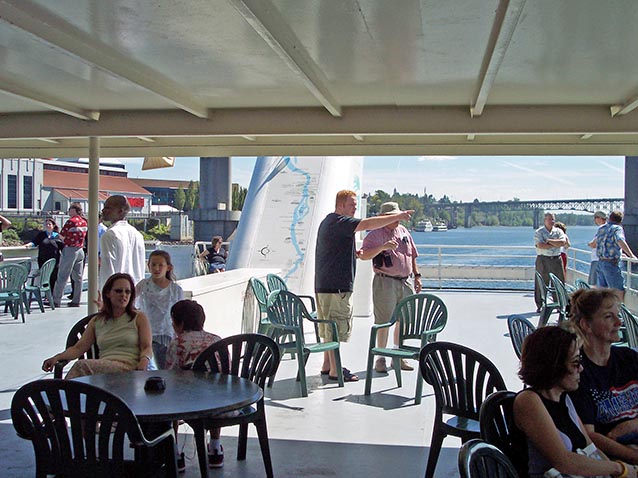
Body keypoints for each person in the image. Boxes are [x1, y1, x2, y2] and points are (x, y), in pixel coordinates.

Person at [315, 190, 413, 382]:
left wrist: (354, 254)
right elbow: (367, 224)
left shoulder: (330, 222)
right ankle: (335, 370)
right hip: (337, 287)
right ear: (341, 205)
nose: (355, 208)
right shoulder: (340, 221)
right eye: (352, 204)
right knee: (336, 326)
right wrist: (399, 216)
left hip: (325, 285)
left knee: (329, 326)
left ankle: (327, 364)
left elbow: (335, 250)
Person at [514, 324, 637, 478]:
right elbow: (564, 461)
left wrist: (622, 472)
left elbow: (591, 448)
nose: (581, 369)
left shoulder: (564, 398)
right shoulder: (528, 401)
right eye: (575, 363)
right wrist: (618, 468)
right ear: (554, 366)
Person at [569, 288, 638, 465]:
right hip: (613, 458)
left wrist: (631, 425)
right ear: (587, 325)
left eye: (618, 315)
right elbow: (590, 435)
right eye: (609, 317)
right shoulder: (578, 372)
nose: (619, 322)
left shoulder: (629, 358)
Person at [42, 273, 153, 379]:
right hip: (104, 372)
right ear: (108, 293)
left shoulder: (139, 317)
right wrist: (57, 357)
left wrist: (144, 361)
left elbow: (147, 347)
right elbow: (78, 348)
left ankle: (63, 391)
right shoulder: (97, 321)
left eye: (127, 292)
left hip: (130, 370)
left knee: (81, 366)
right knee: (82, 367)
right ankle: (66, 391)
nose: (124, 295)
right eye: (118, 291)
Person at [359, 201, 422, 373]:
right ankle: (380, 358)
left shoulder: (403, 231)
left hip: (405, 281)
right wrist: (383, 247)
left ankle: (397, 356)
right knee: (383, 321)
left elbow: (412, 255)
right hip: (385, 281)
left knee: (404, 320)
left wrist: (417, 276)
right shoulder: (374, 235)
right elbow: (363, 255)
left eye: (398, 216)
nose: (397, 219)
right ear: (384, 218)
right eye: (394, 216)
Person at [165, 299, 223, 471]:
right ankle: (215, 448)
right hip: (221, 403)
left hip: (190, 403)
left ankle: (175, 453)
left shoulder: (177, 343)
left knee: (170, 399)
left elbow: (170, 376)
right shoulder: (217, 340)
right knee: (215, 389)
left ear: (180, 323)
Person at [136, 250, 184, 369]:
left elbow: (181, 313)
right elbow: (130, 303)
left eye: (160, 265)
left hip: (168, 334)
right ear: (148, 266)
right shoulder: (143, 285)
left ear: (168, 267)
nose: (156, 268)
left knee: (165, 366)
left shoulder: (176, 290)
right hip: (147, 333)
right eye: (153, 265)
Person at [99, 195, 146, 290]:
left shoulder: (110, 234)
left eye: (108, 208)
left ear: (120, 211)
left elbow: (108, 267)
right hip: (135, 290)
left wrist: (104, 292)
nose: (103, 210)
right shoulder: (137, 234)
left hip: (116, 292)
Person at [593, 211, 636, 301]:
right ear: (620, 221)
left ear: (609, 218)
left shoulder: (601, 228)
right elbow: (620, 240)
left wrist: (619, 252)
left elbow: (601, 243)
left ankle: (602, 309)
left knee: (602, 291)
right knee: (618, 291)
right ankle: (619, 308)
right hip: (611, 264)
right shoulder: (617, 228)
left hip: (600, 262)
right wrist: (631, 255)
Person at [52, 202, 88, 308]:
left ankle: (56, 300)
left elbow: (62, 235)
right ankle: (76, 300)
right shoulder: (84, 222)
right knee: (78, 277)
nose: (68, 211)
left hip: (70, 249)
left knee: (63, 275)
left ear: (74, 210)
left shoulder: (71, 221)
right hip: (80, 250)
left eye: (70, 209)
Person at [534, 212, 567, 313]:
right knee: (541, 283)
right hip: (543, 259)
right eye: (549, 219)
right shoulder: (539, 232)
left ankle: (559, 304)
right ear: (545, 220)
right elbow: (540, 245)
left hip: (556, 259)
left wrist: (548, 241)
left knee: (559, 282)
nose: (551, 221)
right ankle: (540, 305)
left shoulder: (559, 231)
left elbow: (563, 242)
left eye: (553, 219)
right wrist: (555, 243)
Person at [23, 217, 63, 294]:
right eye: (46, 224)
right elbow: (35, 242)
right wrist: (29, 245)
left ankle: (52, 295)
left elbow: (63, 247)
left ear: (53, 225)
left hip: (55, 261)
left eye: (49, 224)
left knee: (54, 278)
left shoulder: (57, 236)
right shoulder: (41, 235)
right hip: (43, 260)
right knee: (45, 278)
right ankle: (47, 295)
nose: (48, 225)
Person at [588, 211, 607, 286]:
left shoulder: (602, 229)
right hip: (603, 260)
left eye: (595, 218)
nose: (594, 220)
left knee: (595, 284)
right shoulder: (609, 229)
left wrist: (590, 244)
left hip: (597, 260)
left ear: (599, 218)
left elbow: (594, 244)